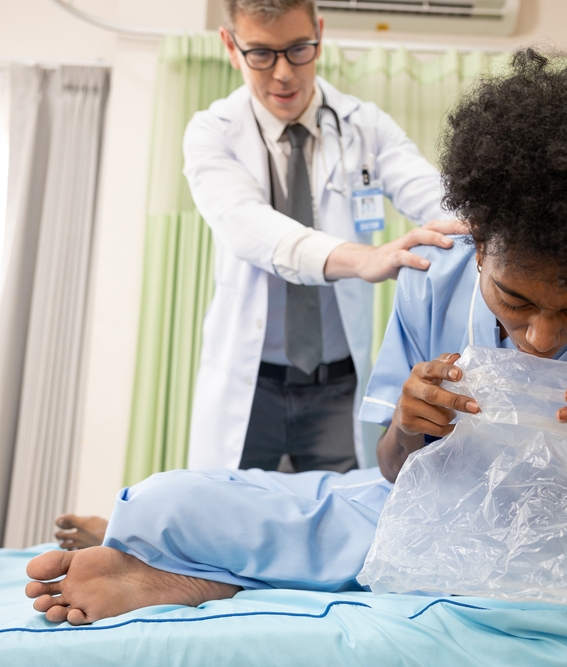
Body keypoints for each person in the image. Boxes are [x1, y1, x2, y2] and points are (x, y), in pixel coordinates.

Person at [26, 50, 567, 624]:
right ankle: (184, 562)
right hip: (416, 510)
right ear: (478, 241)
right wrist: (407, 425)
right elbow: (394, 470)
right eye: (513, 299)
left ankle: (206, 576)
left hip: (558, 554)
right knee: (162, 500)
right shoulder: (435, 280)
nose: (541, 337)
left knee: (417, 556)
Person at [54, 0, 462, 550]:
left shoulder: (364, 126)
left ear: (319, 33)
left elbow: (434, 195)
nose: (284, 72)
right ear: (230, 46)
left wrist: (498, 223)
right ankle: (128, 541)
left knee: (351, 521)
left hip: (337, 383)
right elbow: (250, 227)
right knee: (219, 520)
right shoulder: (212, 133)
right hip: (255, 384)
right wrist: (360, 258)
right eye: (262, 54)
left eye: (298, 49)